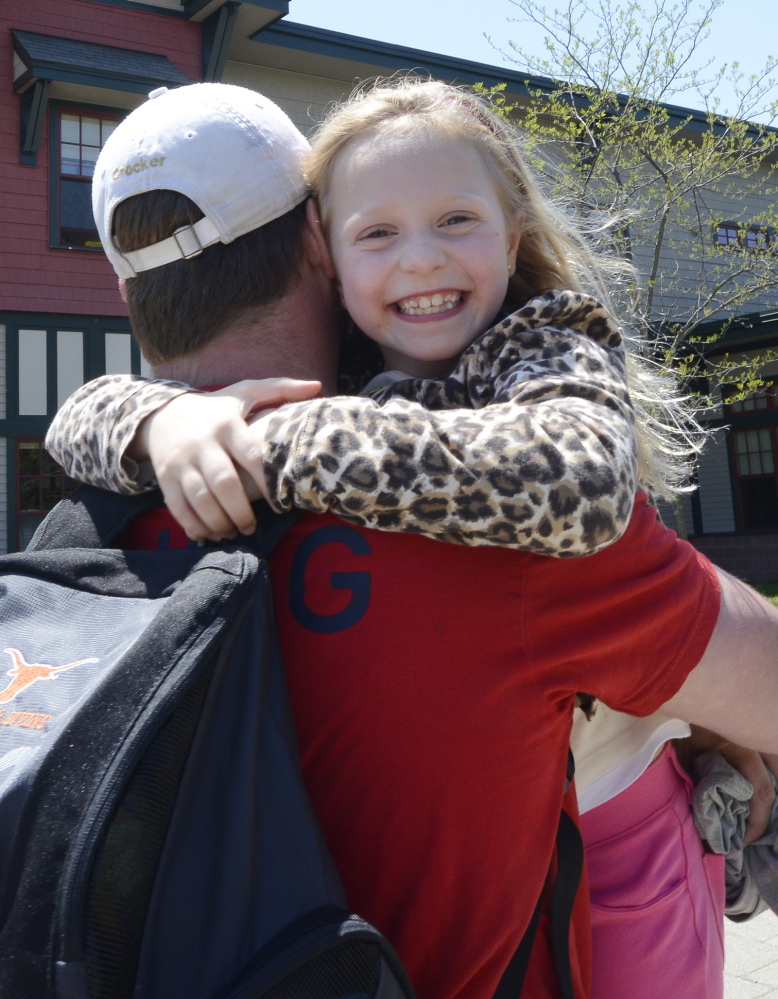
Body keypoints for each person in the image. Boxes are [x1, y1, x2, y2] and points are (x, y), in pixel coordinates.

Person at [45, 82, 778, 999]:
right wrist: (158, 424)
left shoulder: (72, 539)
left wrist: (246, 438)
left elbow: (574, 472)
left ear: (123, 291)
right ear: (324, 247)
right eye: (377, 233)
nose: (418, 259)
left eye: (454, 219)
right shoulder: (495, 538)